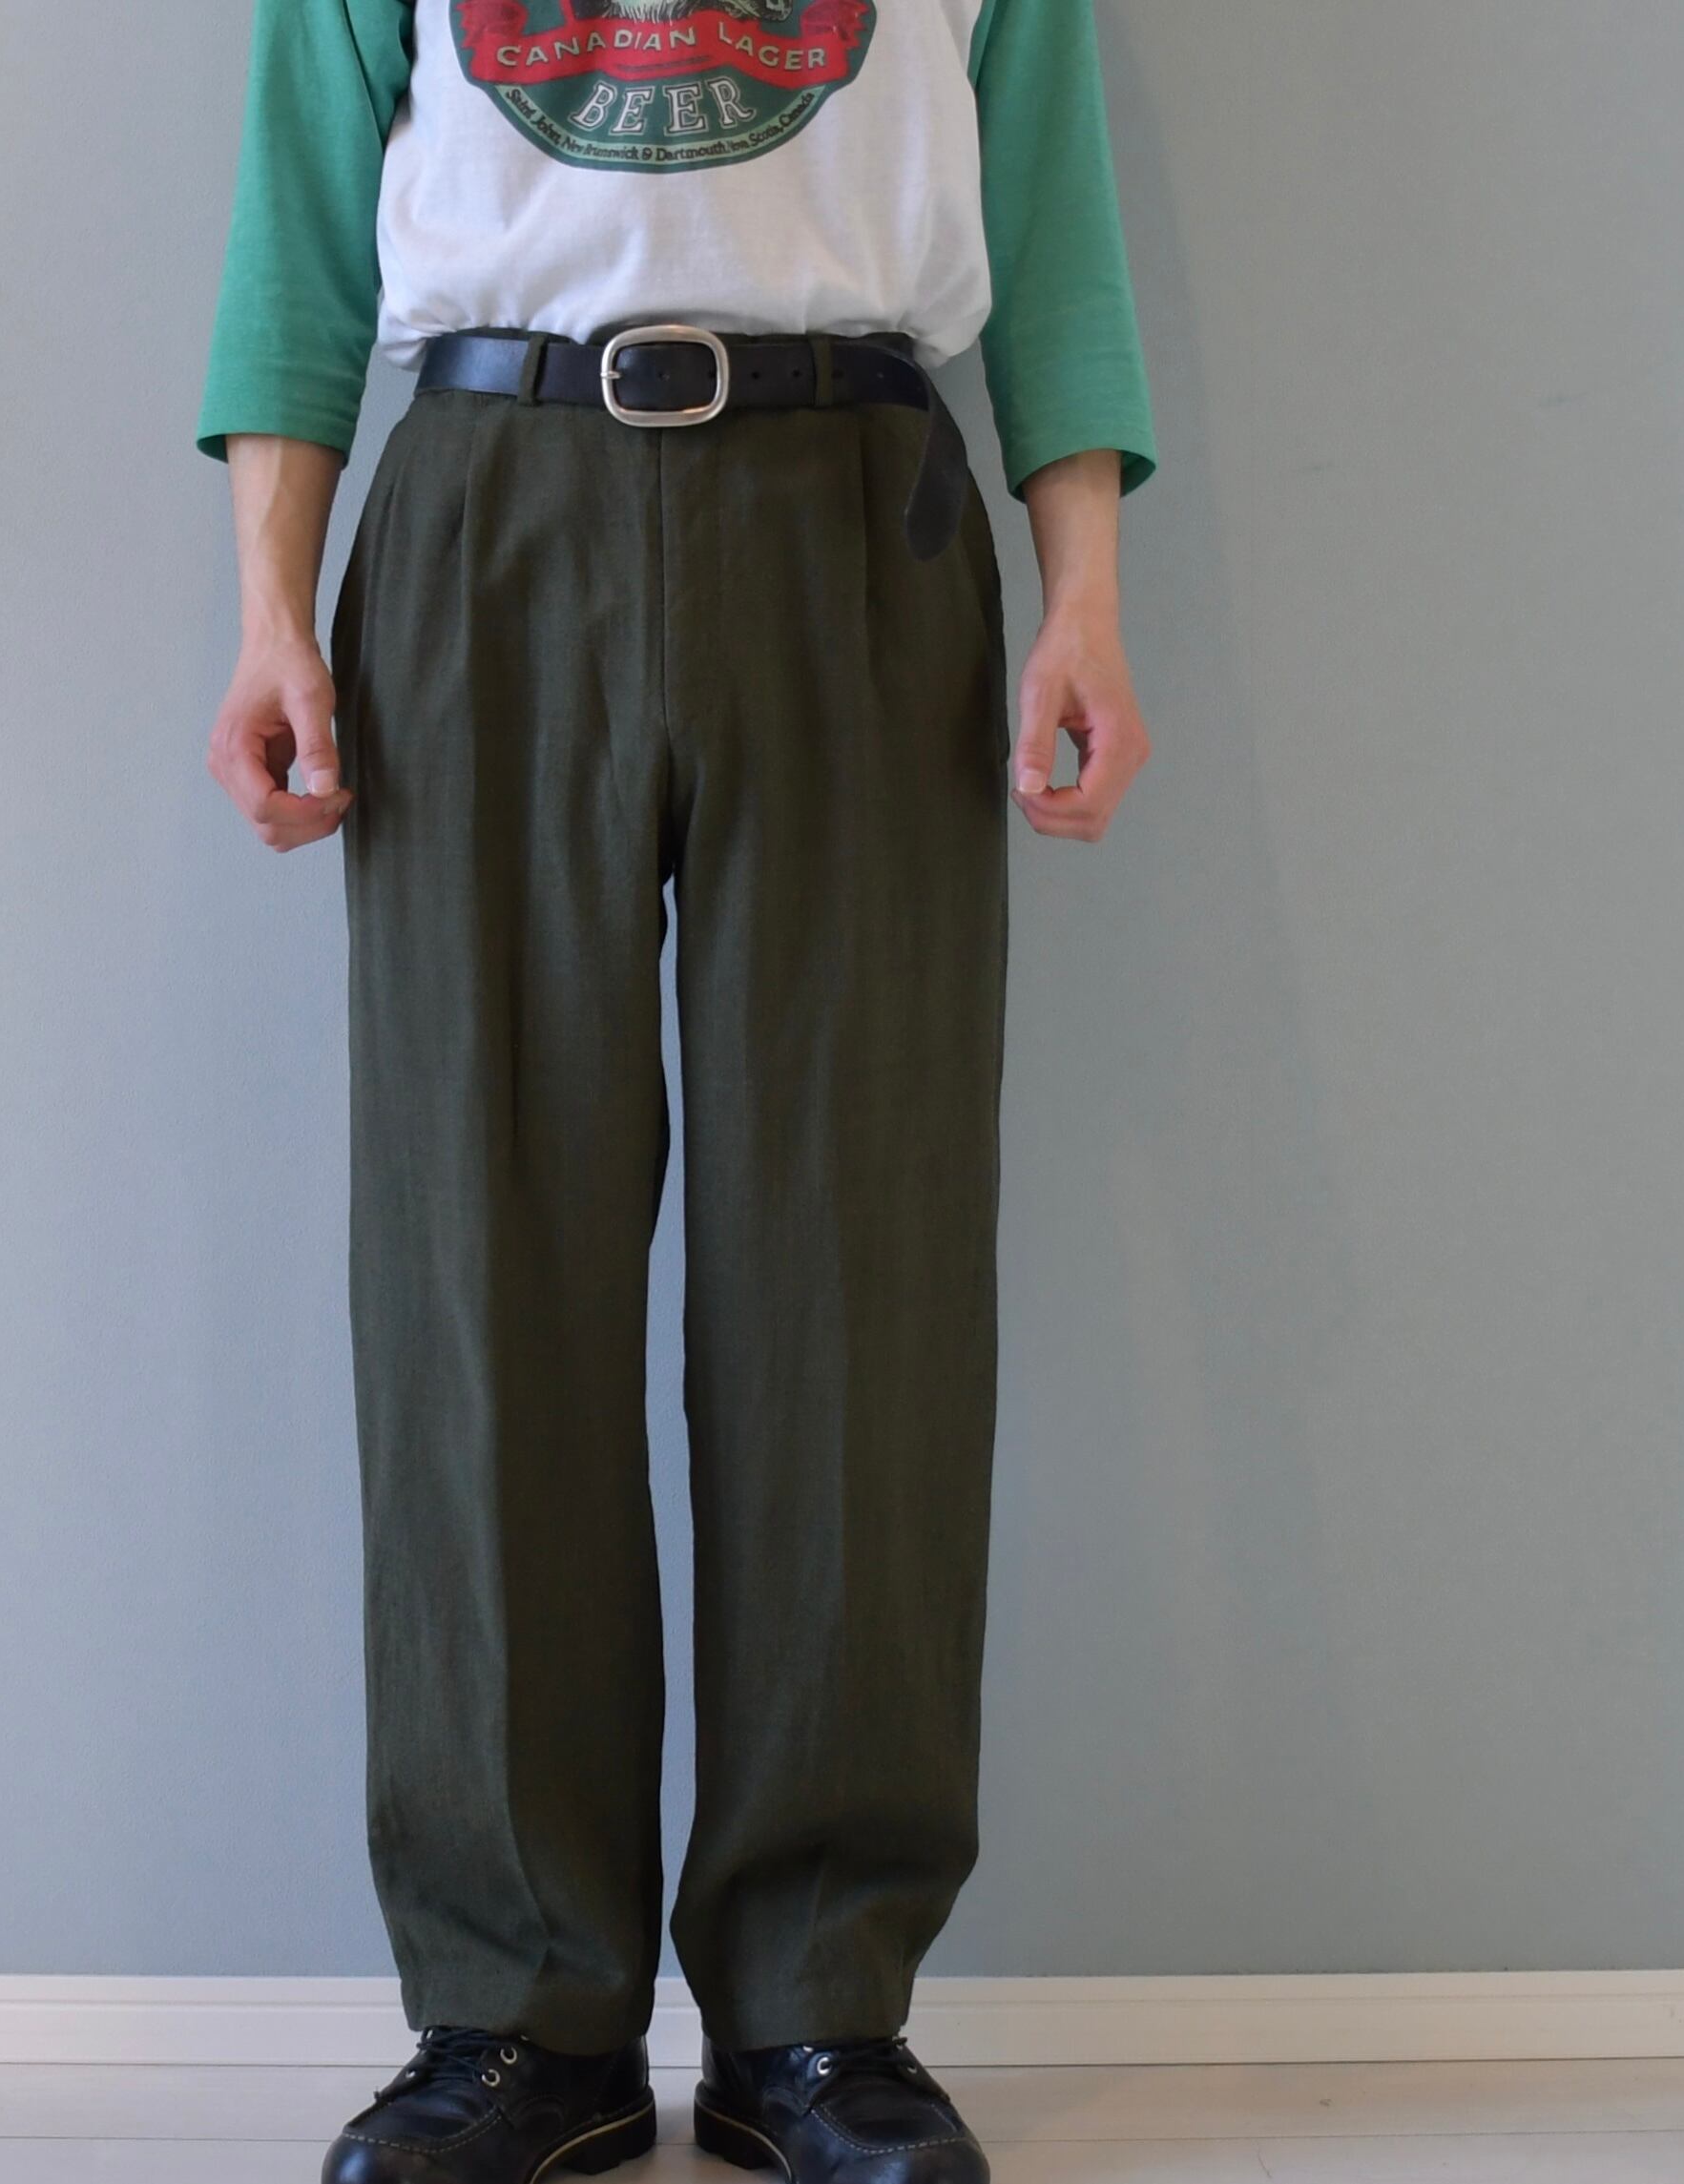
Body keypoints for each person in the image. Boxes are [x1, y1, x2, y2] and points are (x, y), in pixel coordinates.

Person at [196, 3, 1157, 2180]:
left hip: (858, 501)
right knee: (476, 1262)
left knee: (855, 1263)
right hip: (484, 501)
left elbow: (1048, 225)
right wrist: (268, 603)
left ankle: (817, 2011)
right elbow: (300, 233)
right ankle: (512, 2014)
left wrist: (1084, 589)